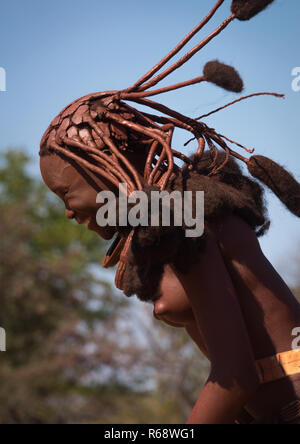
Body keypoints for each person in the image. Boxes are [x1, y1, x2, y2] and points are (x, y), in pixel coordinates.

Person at [39, 0, 300, 424]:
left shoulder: (180, 216)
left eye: (66, 193)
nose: (68, 212)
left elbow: (237, 377)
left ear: (107, 159)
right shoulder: (173, 212)